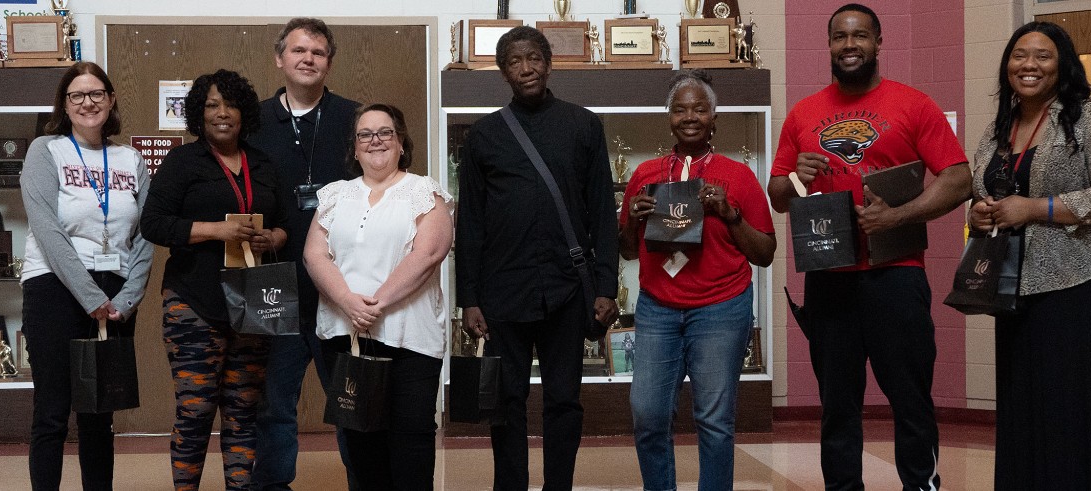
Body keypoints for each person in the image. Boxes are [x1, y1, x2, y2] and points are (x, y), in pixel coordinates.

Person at [766, 4, 971, 490]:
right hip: (830, 278)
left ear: (879, 43)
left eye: (859, 36)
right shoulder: (803, 113)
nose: (849, 45)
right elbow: (778, 195)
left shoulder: (913, 104)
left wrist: (898, 216)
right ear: (830, 45)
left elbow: (960, 178)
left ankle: (921, 484)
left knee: (910, 398)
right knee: (838, 406)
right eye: (839, 37)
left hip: (896, 273)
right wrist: (798, 177)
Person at [969, 21, 1091, 488]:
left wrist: (1039, 208)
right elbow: (983, 190)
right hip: (1017, 286)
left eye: (1043, 56)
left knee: (1076, 406)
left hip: (1086, 282)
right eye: (1019, 55)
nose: (1028, 65)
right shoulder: (997, 129)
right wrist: (980, 213)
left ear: (1063, 65)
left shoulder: (1089, 116)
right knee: (1027, 403)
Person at [456, 25, 619, 491]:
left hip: (568, 292)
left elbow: (602, 213)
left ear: (548, 63)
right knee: (506, 401)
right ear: (503, 71)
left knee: (564, 401)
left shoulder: (583, 124)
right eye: (514, 61)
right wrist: (469, 297)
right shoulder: (485, 135)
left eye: (533, 59)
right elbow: (469, 223)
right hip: (502, 292)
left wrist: (606, 286)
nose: (525, 69)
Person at [620, 70, 776, 490]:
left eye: (700, 108)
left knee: (714, 419)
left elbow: (764, 254)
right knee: (648, 413)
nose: (690, 116)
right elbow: (628, 251)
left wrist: (730, 214)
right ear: (668, 116)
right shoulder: (646, 175)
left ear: (714, 117)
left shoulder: (738, 176)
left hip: (721, 308)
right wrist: (632, 221)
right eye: (680, 108)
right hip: (658, 309)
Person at [140, 69, 288, 491]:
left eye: (231, 104)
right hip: (193, 303)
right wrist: (215, 230)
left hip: (254, 302)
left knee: (243, 411)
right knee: (196, 409)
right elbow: (153, 224)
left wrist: (271, 237)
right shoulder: (183, 162)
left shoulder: (263, 163)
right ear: (197, 115)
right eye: (211, 106)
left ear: (244, 112)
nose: (222, 113)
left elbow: (284, 225)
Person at [303, 103, 452, 490]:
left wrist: (376, 303)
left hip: (409, 341)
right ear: (354, 148)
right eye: (365, 134)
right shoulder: (335, 195)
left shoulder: (425, 191)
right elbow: (314, 254)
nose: (376, 141)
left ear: (401, 142)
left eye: (385, 132)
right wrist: (348, 302)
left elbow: (429, 253)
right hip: (346, 337)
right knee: (360, 448)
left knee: (410, 447)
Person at [20, 61, 153, 491]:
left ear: (111, 100)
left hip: (114, 294)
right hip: (54, 289)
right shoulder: (46, 150)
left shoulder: (129, 158)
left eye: (96, 93)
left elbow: (146, 233)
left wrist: (129, 295)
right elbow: (46, 228)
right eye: (76, 95)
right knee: (53, 413)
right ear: (64, 103)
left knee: (100, 413)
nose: (87, 102)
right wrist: (88, 295)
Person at [246, 17, 361, 491]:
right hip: (272, 283)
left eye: (317, 52)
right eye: (299, 51)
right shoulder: (252, 121)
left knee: (353, 399)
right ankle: (272, 484)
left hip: (343, 283)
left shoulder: (355, 118)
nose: (308, 58)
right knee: (273, 401)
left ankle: (367, 481)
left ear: (329, 61)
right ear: (280, 59)